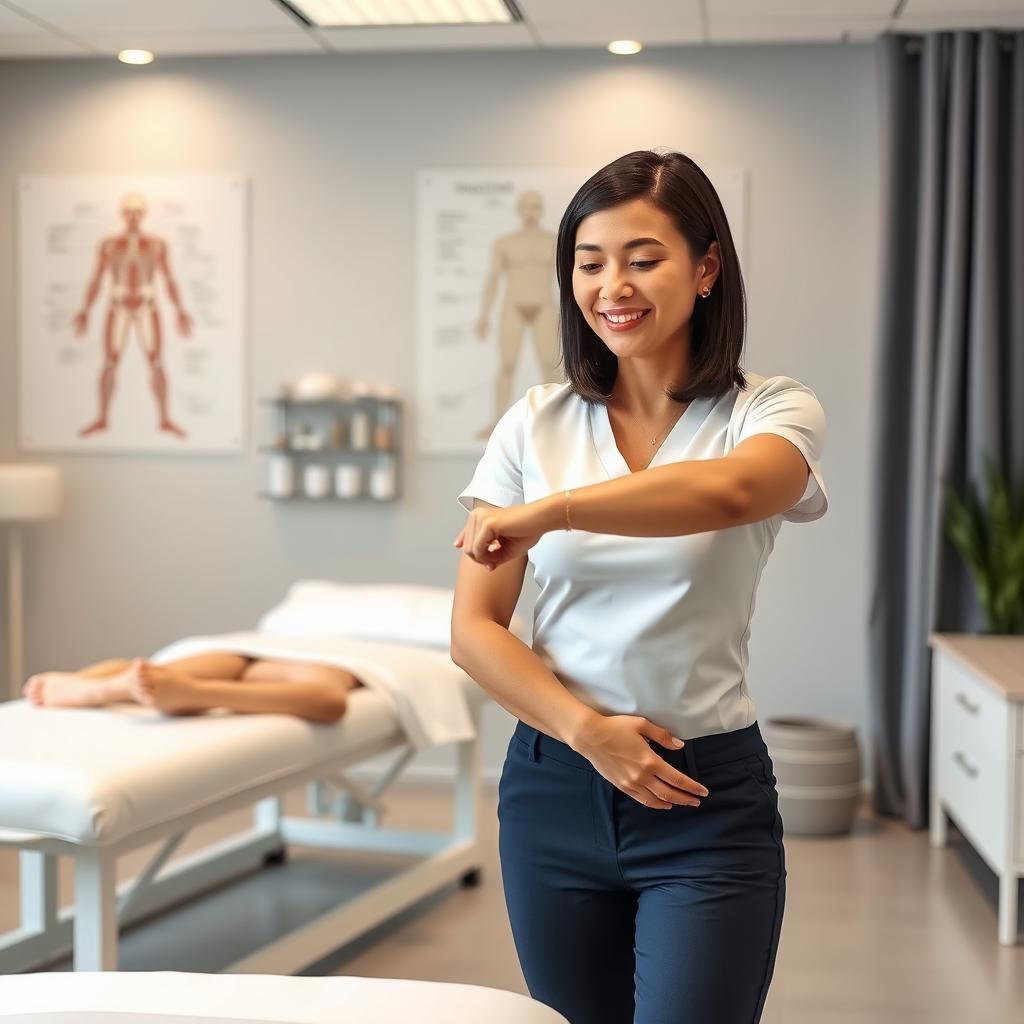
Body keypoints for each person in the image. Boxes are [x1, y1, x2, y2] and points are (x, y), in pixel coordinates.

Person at [450, 150, 829, 1024]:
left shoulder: (768, 410)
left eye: (642, 258)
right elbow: (476, 629)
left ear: (705, 268)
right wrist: (590, 734)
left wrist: (552, 512)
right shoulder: (534, 421)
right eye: (589, 263)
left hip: (704, 799)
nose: (612, 284)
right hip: (551, 787)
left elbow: (733, 493)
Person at [22, 653, 362, 723]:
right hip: (274, 649)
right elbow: (332, 701)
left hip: (247, 650)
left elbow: (334, 703)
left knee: (158, 671)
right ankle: (197, 692)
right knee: (154, 675)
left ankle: (102, 683)